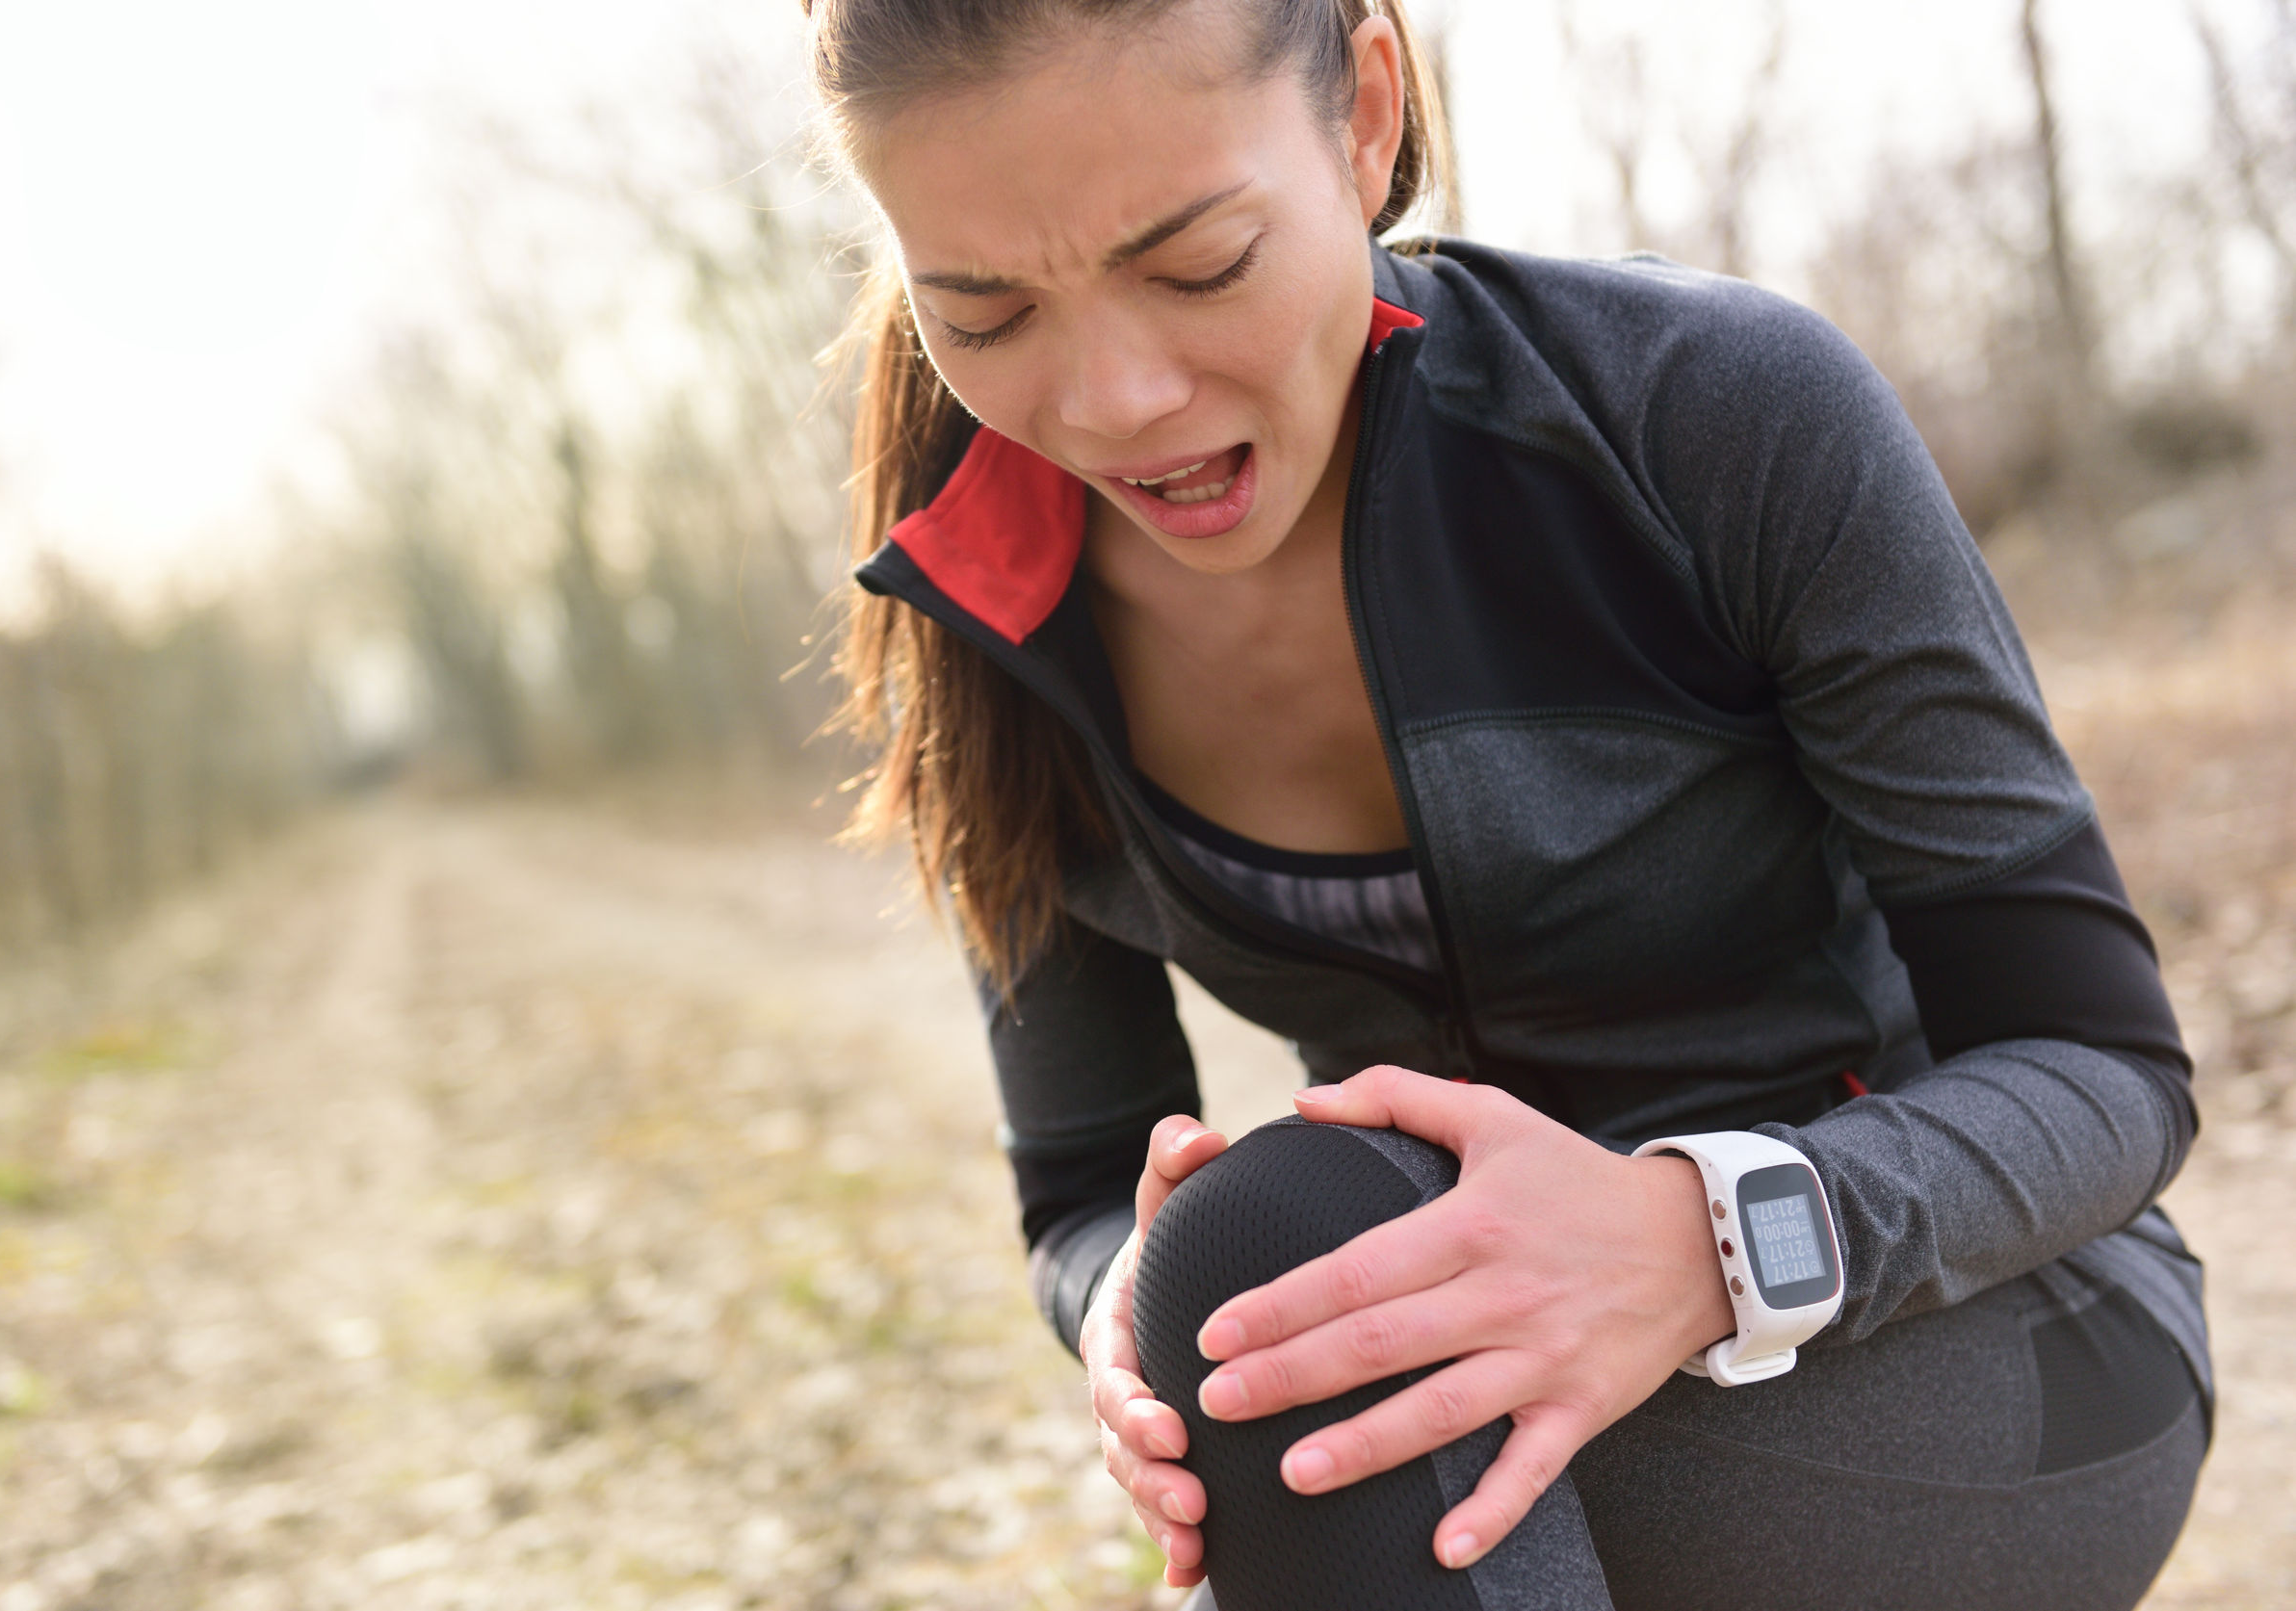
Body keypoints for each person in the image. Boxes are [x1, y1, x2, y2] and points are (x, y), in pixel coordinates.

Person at [806, 0, 2210, 1605]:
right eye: (984, 318)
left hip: (1967, 1313)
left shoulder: (1709, 415)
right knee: (1277, 1296)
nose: (1114, 398)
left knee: (1323, 1367)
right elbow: (1078, 1188)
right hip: (1427, 1397)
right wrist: (1132, 1305)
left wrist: (1703, 1238)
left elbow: (2108, 1072)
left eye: (1197, 265)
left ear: (1367, 113)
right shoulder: (981, 597)